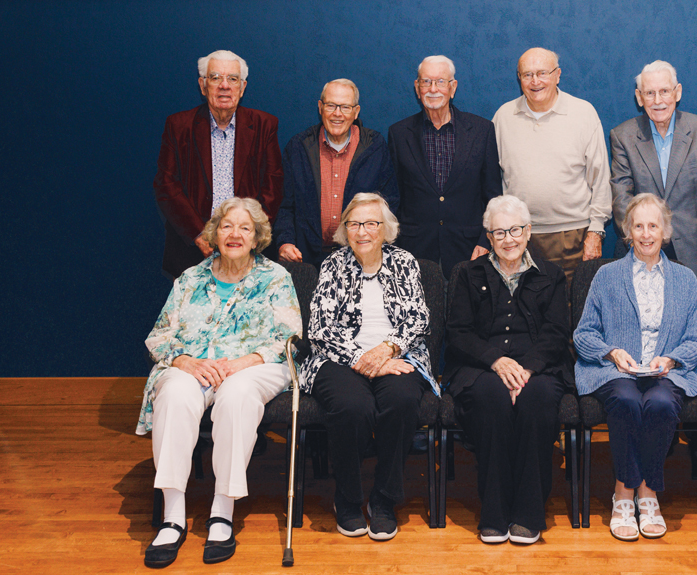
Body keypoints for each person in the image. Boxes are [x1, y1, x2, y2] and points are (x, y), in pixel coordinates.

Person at [137, 197, 302, 568]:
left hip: (256, 364)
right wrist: (184, 361)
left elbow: (289, 338)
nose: (235, 234)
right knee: (175, 393)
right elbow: (159, 336)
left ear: (257, 236)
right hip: (196, 363)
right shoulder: (190, 279)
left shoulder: (275, 277)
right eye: (227, 226)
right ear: (214, 233)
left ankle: (222, 512)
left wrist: (241, 363)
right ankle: (172, 516)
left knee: (237, 396)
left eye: (245, 227)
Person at [297, 193, 439, 541]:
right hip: (338, 358)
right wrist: (361, 360)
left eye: (371, 223)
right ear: (345, 229)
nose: (362, 231)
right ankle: (347, 499)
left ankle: (384, 499)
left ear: (385, 229)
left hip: (397, 355)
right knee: (352, 406)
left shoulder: (404, 261)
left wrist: (387, 350)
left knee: (402, 400)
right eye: (354, 224)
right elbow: (319, 328)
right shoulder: (332, 265)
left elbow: (418, 317)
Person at [573, 193, 697, 541]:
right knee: (628, 400)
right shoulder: (606, 276)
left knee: (660, 403)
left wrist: (672, 358)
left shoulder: (686, 279)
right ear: (627, 232)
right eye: (639, 226)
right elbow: (583, 334)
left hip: (666, 372)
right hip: (616, 372)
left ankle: (648, 491)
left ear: (666, 231)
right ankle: (624, 492)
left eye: (653, 225)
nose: (646, 234)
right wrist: (612, 352)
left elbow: (696, 341)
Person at [444, 195, 573, 545]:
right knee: (492, 399)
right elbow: (457, 333)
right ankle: (495, 512)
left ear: (529, 231)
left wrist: (526, 370)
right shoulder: (468, 274)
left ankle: (529, 514)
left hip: (538, 369)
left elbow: (557, 333)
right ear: (489, 237)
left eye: (515, 230)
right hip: (481, 368)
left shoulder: (552, 275)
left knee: (538, 400)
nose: (508, 239)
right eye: (499, 232)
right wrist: (496, 361)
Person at [154, 50, 283, 279]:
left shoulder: (265, 125)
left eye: (232, 79)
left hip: (248, 251)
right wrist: (200, 236)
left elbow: (273, 186)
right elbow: (166, 186)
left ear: (242, 87)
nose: (224, 85)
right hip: (191, 252)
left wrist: (248, 235)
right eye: (215, 78)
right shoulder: (178, 126)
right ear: (203, 86)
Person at [493, 47, 612, 282]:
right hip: (516, 237)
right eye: (527, 75)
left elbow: (600, 179)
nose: (535, 81)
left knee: (570, 311)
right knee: (521, 312)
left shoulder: (583, 113)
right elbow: (490, 181)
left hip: (573, 237)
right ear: (519, 79)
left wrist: (596, 230)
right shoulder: (503, 117)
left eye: (542, 73)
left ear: (558, 75)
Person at [609, 60, 697, 276]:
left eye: (664, 91)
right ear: (639, 98)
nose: (658, 101)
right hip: (642, 246)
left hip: (696, 251)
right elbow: (622, 200)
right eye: (650, 93)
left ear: (677, 93)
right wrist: (639, 237)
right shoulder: (622, 136)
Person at [387, 55, 501, 278]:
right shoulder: (399, 133)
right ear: (417, 87)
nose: (433, 89)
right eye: (426, 82)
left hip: (469, 250)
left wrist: (486, 240)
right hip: (414, 250)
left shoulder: (481, 130)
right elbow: (393, 196)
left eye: (440, 81)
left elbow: (493, 196)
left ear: (453, 87)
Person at [274, 79, 399, 266]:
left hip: (359, 259)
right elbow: (285, 206)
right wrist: (285, 242)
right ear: (320, 107)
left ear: (356, 112)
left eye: (345, 107)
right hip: (306, 260)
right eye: (331, 106)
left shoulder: (374, 147)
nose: (337, 114)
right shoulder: (299, 147)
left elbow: (389, 204)